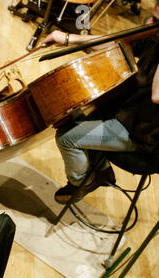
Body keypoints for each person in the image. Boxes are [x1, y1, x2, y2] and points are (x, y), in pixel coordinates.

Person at [41, 2, 159, 204]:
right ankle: (102, 170)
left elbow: (157, 95)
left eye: (156, 21)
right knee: (70, 113)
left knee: (67, 138)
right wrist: (70, 39)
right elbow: (115, 42)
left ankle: (81, 183)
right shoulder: (154, 36)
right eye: (152, 17)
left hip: (142, 135)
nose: (149, 23)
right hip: (124, 111)